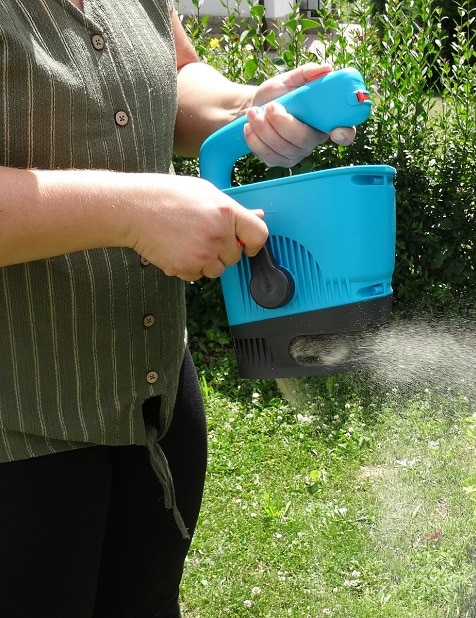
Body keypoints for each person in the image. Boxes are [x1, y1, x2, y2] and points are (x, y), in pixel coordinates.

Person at [0, 1, 356, 616]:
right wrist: (134, 211)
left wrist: (250, 108)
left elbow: (173, 75)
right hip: (21, 424)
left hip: (152, 393)